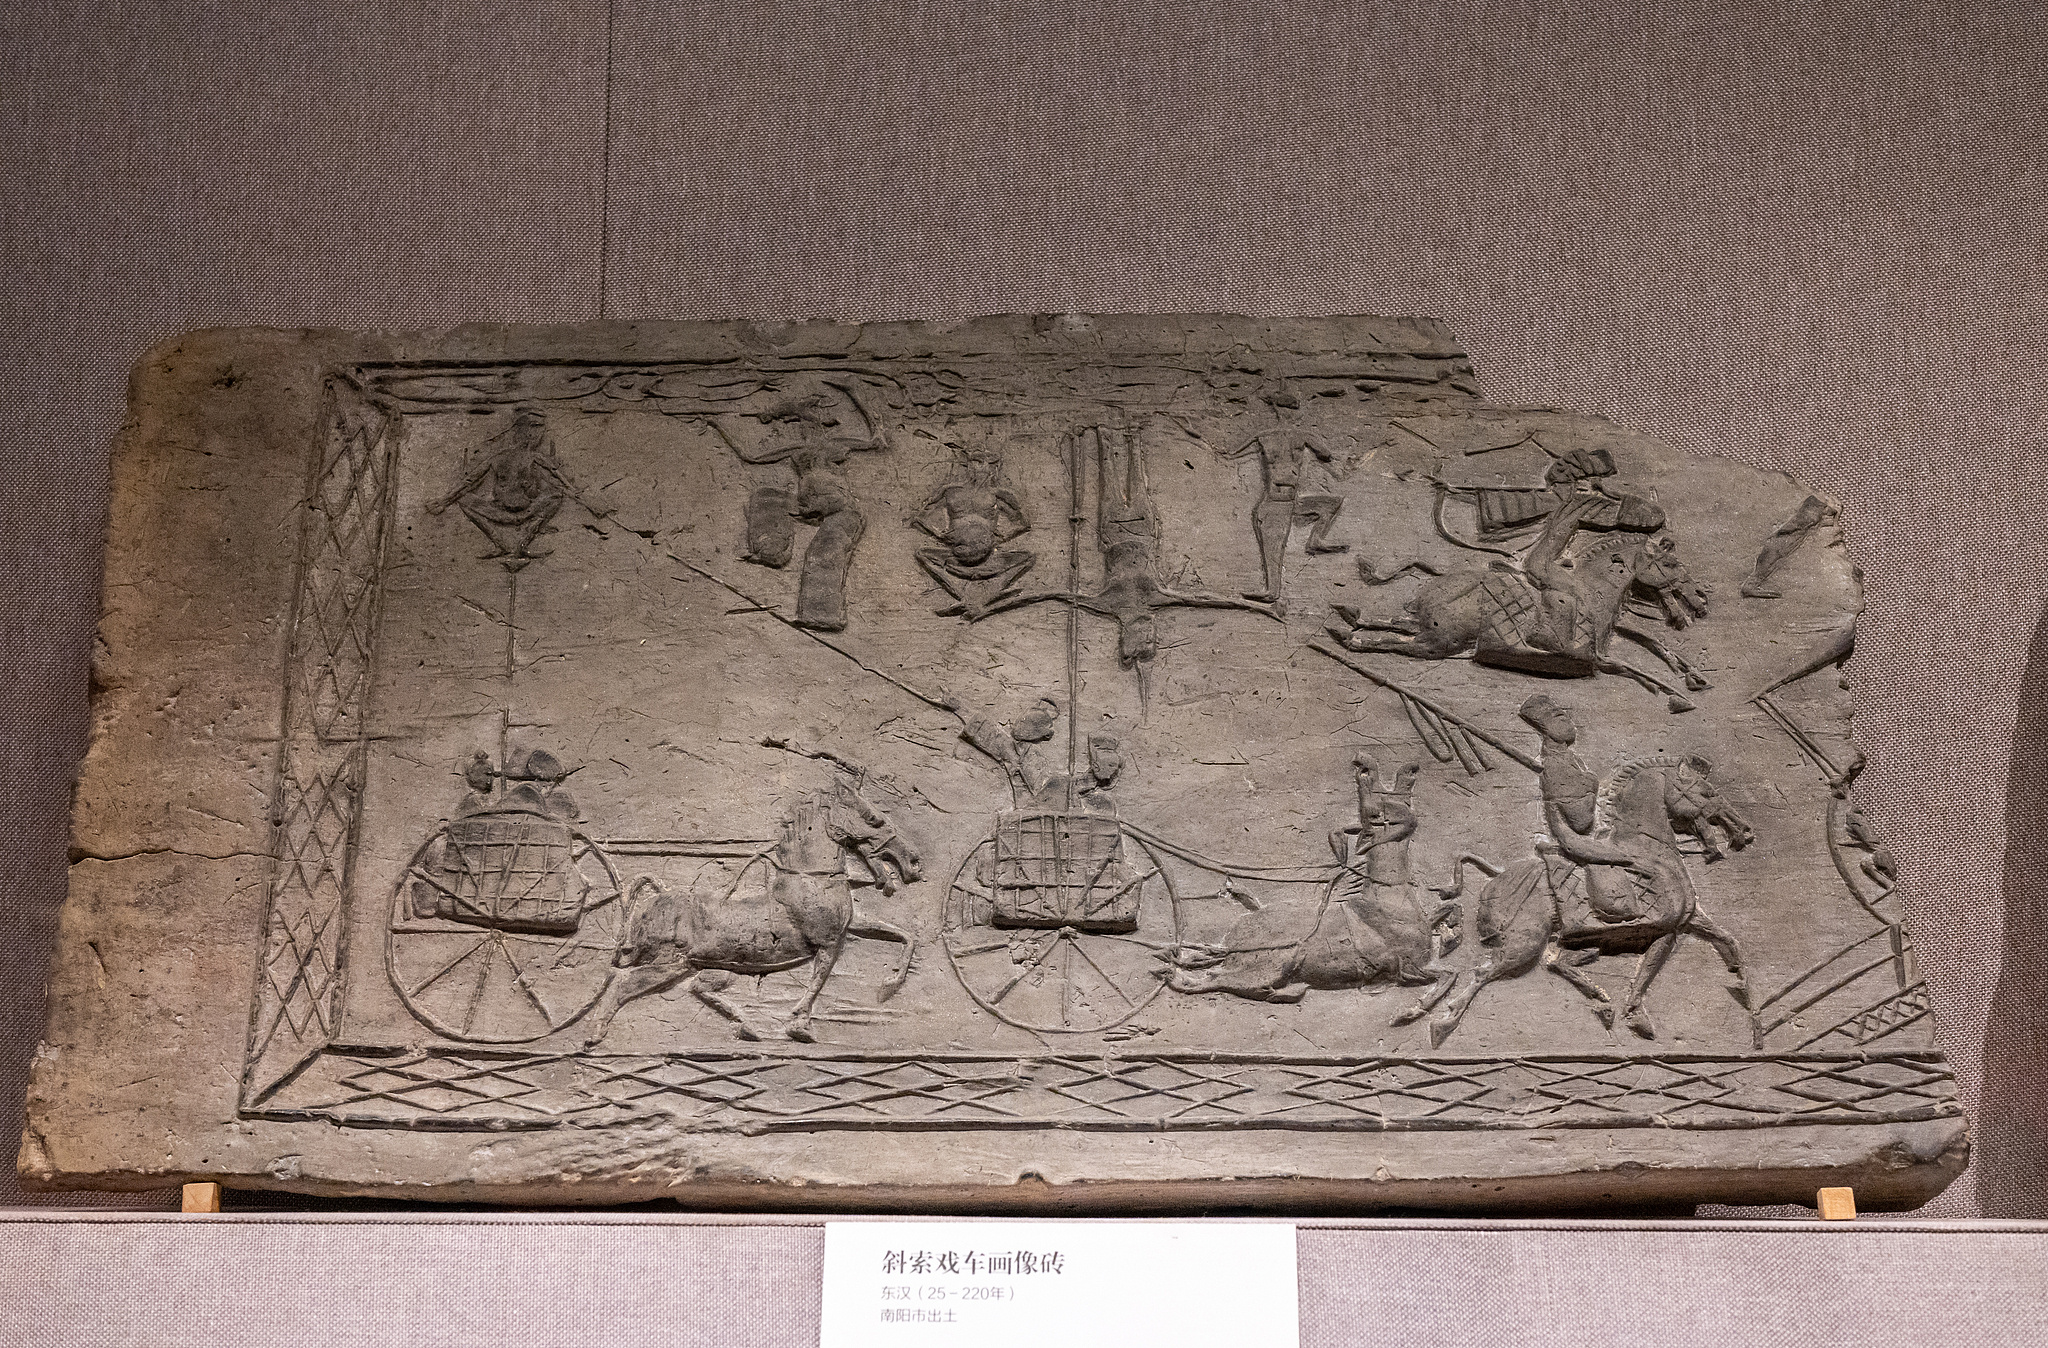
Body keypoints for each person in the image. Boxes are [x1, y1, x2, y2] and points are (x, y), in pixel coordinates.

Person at [1219, 387, 1349, 603]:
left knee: (1332, 503)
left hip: (1289, 501)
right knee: (1273, 568)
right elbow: (1326, 454)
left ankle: (1315, 539)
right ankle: (1272, 591)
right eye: (1292, 409)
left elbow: (1229, 453)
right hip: (1275, 504)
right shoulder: (1298, 436)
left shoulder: (1264, 437)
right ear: (1289, 411)